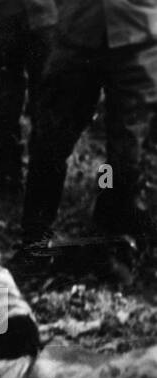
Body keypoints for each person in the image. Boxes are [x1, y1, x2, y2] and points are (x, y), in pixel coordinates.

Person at [19, 0, 157, 269]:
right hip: (77, 33)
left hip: (139, 35)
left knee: (127, 151)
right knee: (51, 139)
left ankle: (116, 242)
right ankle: (34, 241)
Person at [0, 0, 57, 194]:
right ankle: (9, 179)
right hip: (3, 16)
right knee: (1, 103)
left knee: (46, 104)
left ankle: (41, 185)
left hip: (44, 19)